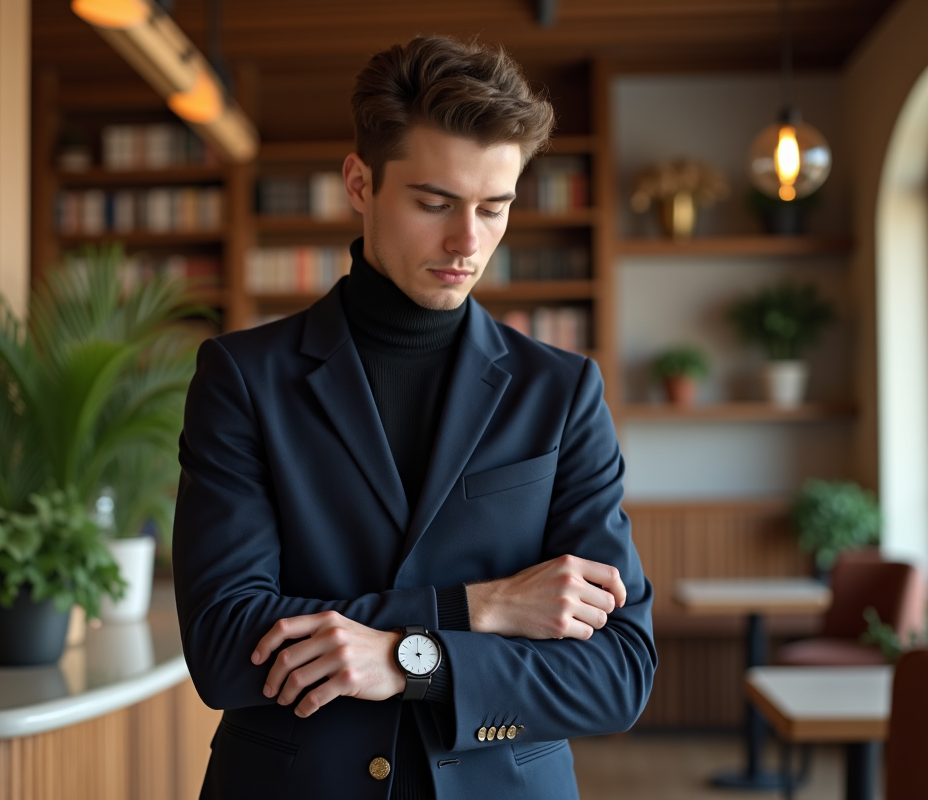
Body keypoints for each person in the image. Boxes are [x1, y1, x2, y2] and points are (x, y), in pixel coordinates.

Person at [173, 35, 656, 800]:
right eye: (435, 203)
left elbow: (617, 673)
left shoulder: (562, 392)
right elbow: (226, 646)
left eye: (494, 208)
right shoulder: (243, 379)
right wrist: (481, 606)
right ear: (360, 183)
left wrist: (409, 658)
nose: (467, 242)